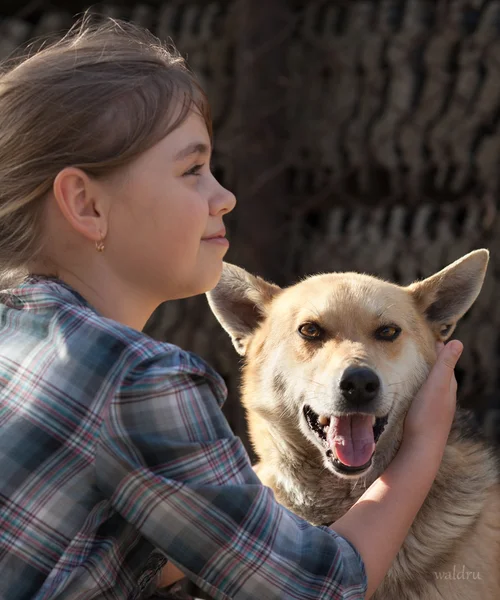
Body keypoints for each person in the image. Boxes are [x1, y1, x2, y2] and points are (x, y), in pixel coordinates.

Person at [0, 16, 463, 600]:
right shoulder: (140, 381)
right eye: (193, 171)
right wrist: (422, 448)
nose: (225, 196)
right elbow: (317, 590)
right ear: (86, 204)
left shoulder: (12, 328)